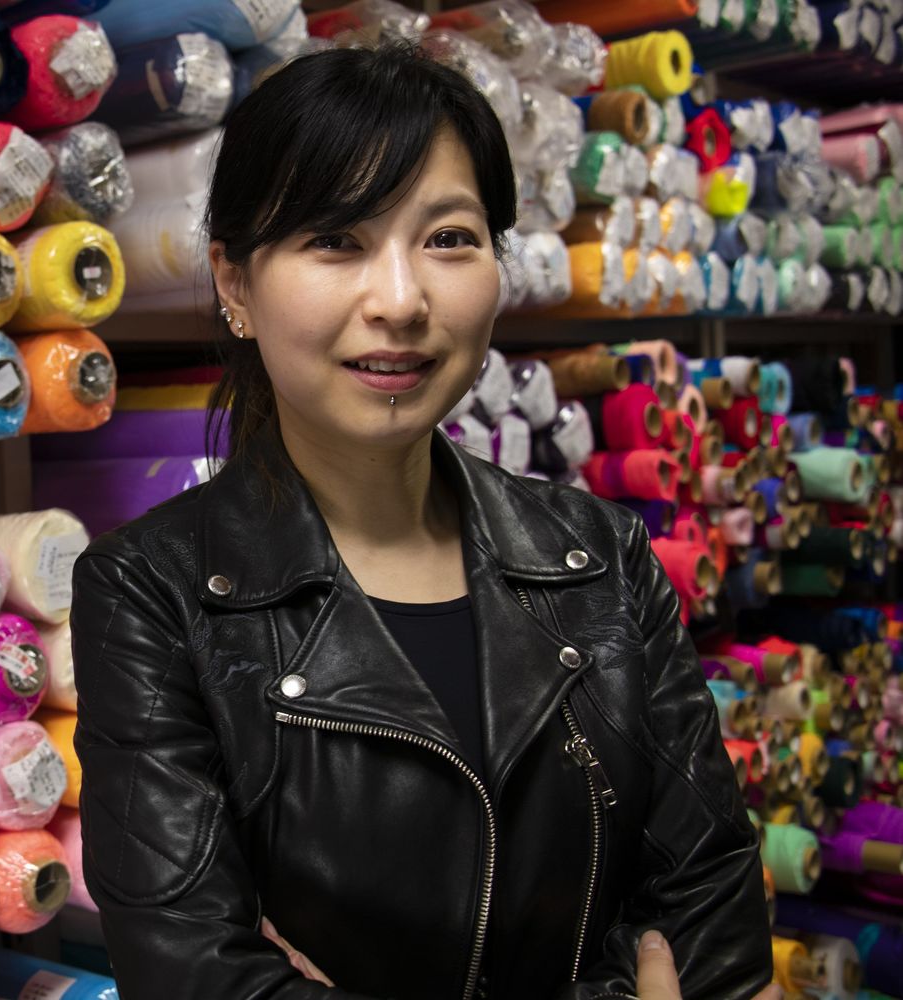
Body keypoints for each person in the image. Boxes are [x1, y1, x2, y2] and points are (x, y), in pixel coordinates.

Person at [70, 43, 778, 1000]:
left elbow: (711, 923)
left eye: (448, 238)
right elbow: (192, 973)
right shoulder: (152, 593)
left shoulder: (601, 558)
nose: (401, 302)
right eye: (336, 240)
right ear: (235, 283)